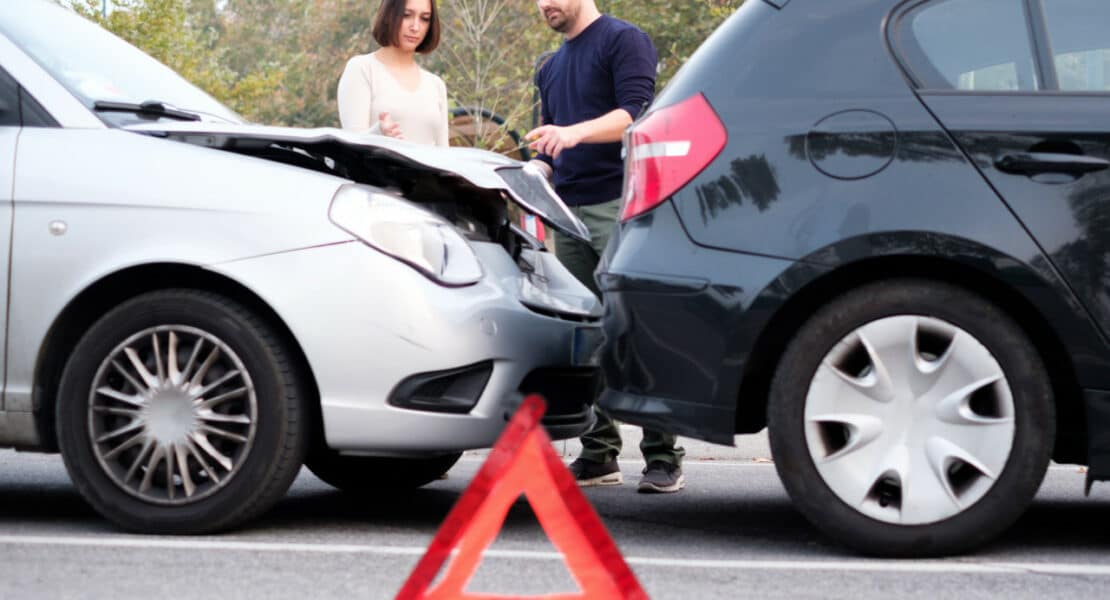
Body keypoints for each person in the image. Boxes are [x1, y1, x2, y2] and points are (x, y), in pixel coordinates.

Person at [526, 0, 685, 493]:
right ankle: (599, 453)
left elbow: (635, 116)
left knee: (636, 329)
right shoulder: (549, 66)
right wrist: (537, 168)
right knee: (586, 337)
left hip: (622, 206)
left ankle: (662, 454)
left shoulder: (624, 39)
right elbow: (549, 143)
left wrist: (572, 134)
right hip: (568, 216)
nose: (544, 3)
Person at [337, 0, 448, 146]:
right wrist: (379, 133)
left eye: (424, 18)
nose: (415, 27)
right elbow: (352, 147)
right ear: (389, 15)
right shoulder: (362, 69)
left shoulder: (435, 84)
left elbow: (444, 155)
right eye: (406, 15)